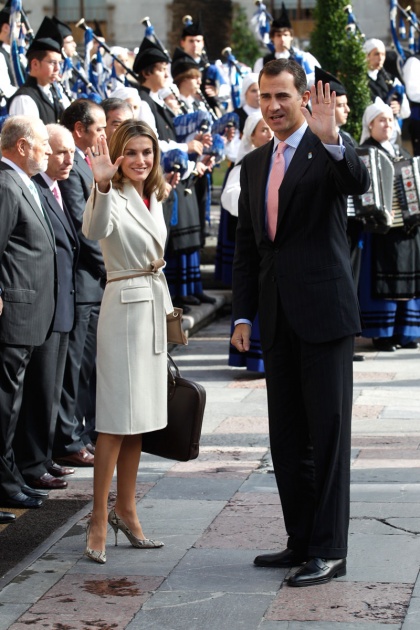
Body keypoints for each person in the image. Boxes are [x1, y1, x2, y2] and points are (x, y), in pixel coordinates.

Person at [231, 59, 370, 586]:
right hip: (276, 319)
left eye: (283, 96)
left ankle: (330, 548)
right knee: (287, 437)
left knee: (328, 436)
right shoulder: (252, 165)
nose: (273, 106)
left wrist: (332, 138)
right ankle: (300, 540)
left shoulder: (326, 147)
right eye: (265, 96)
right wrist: (243, 313)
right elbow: (249, 248)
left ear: (303, 98)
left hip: (325, 315)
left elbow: (353, 180)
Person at [82, 120, 172, 564]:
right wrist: (100, 184)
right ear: (118, 155)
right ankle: (98, 517)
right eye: (132, 153)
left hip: (153, 309)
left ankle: (128, 511)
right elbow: (94, 230)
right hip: (124, 312)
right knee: (116, 421)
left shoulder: (153, 195)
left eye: (148, 152)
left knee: (140, 422)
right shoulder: (112, 195)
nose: (141, 160)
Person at [13, 124, 79, 490]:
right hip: (40, 304)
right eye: (58, 151)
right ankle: (31, 463)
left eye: (71, 152)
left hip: (61, 302)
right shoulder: (26, 186)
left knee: (52, 389)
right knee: (37, 391)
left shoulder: (55, 188)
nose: (68, 159)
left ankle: (42, 457)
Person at [0, 115, 56, 509]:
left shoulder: (24, 181)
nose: (49, 152)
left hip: (31, 313)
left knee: (13, 404)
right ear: (22, 146)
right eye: (43, 144)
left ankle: (11, 477)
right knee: (4, 405)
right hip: (14, 315)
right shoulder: (5, 184)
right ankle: (4, 485)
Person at [53, 99, 107, 468]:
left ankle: (82, 434)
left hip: (95, 283)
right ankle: (69, 439)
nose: (104, 133)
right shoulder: (74, 169)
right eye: (99, 127)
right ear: (79, 129)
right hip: (84, 281)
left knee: (88, 368)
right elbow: (82, 225)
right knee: (74, 367)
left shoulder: (89, 162)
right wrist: (111, 266)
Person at [358, 98, 420, 351]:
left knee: (410, 276)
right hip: (380, 230)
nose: (387, 124)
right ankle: (382, 333)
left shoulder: (402, 154)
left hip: (406, 229)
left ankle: (406, 332)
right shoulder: (364, 153)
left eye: (390, 120)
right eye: (381, 120)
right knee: (381, 279)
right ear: (369, 125)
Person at [219, 112, 273, 373]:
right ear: (251, 136)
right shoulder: (242, 166)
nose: (268, 134)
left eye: (270, 129)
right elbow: (230, 198)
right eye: (262, 130)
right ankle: (254, 358)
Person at [8, 16, 71, 122]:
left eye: (59, 63)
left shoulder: (53, 93)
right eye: (52, 63)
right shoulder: (24, 99)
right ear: (35, 64)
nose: (57, 68)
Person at [253, 4, 319, 85]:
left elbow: (316, 79)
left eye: (285, 35)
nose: (282, 39)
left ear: (291, 37)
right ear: (272, 38)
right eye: (278, 35)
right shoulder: (262, 62)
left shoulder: (303, 59)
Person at [363, 38, 410, 146]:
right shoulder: (359, 80)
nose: (380, 58)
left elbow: (406, 110)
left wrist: (399, 106)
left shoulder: (391, 79)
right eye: (376, 54)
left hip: (391, 132)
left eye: (383, 55)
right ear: (367, 56)